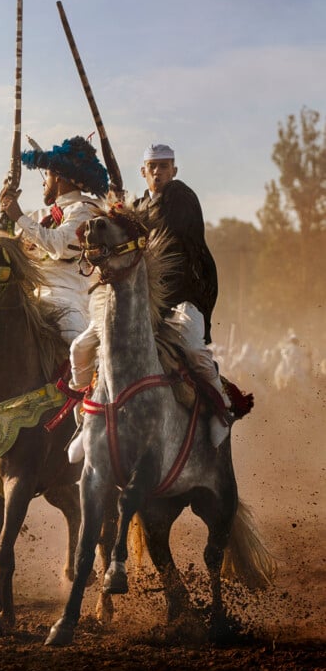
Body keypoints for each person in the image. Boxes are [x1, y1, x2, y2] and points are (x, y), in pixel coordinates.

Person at [0, 135, 109, 427]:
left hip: (70, 300)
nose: (44, 181)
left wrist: (18, 215)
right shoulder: (40, 215)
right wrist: (5, 213)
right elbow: (8, 249)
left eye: (49, 175)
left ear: (64, 178)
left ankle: (91, 418)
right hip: (31, 296)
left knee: (80, 346)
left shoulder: (86, 211)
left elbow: (60, 245)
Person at [70, 142, 232, 449]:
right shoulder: (141, 205)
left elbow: (161, 229)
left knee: (194, 350)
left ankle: (220, 409)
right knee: (83, 346)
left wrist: (125, 214)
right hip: (139, 301)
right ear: (143, 172)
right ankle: (85, 416)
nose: (158, 172)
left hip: (180, 296)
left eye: (164, 166)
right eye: (152, 167)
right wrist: (117, 210)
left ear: (174, 170)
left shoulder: (180, 197)